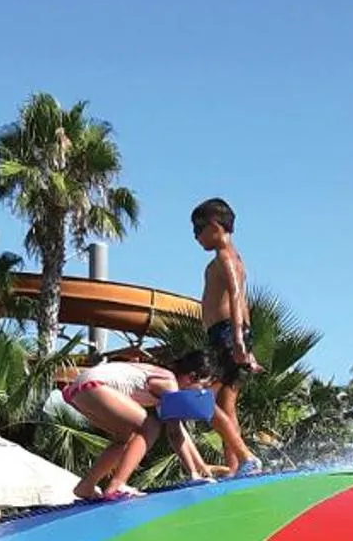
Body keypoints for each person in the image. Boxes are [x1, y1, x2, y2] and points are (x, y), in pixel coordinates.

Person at [62, 351, 213, 500]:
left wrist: (199, 468)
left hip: (78, 392)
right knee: (150, 426)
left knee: (124, 438)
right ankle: (118, 485)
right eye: (203, 386)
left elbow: (179, 431)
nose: (202, 392)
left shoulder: (166, 385)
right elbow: (174, 432)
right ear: (192, 377)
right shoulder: (170, 384)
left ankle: (86, 486)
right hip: (93, 386)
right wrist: (194, 474)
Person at [192, 198, 264, 477]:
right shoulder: (227, 257)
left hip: (227, 333)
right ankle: (238, 466)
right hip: (225, 333)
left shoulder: (226, 257)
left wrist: (238, 341)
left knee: (200, 398)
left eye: (198, 229)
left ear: (213, 226)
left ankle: (246, 458)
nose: (196, 236)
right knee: (226, 405)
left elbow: (236, 295)